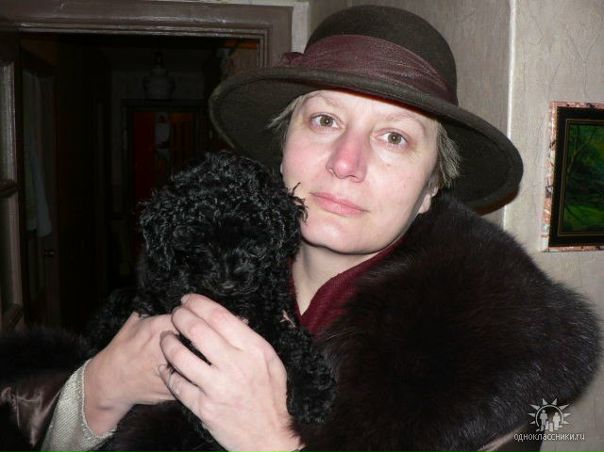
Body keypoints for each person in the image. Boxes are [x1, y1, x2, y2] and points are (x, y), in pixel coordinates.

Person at [1, 5, 600, 452]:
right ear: (282, 147)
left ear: (430, 189)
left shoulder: (495, 361)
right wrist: (97, 392)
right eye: (324, 120)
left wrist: (272, 442)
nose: (346, 162)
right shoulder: (192, 264)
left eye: (395, 137)